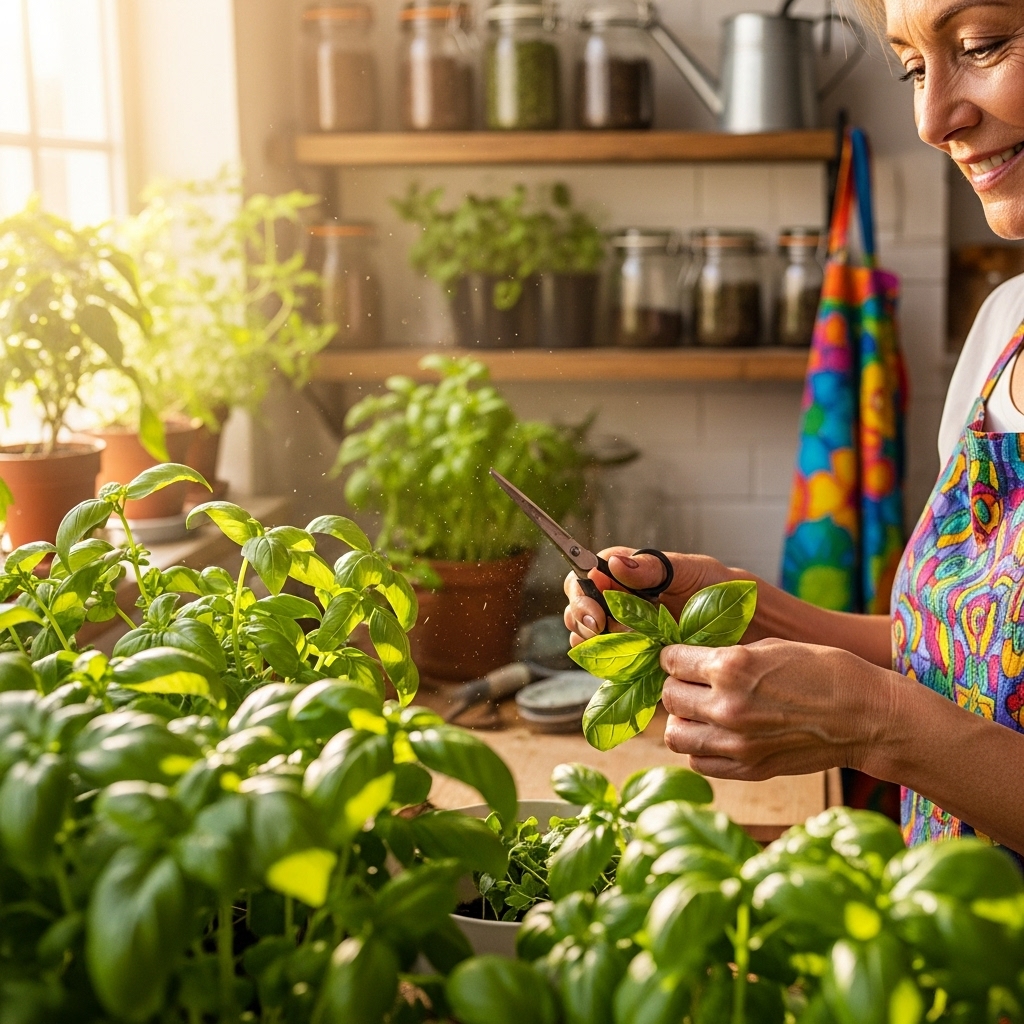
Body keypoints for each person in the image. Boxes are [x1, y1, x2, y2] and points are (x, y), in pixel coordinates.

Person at [564, 0, 1024, 857]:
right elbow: (970, 659)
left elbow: (914, 713)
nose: (931, 119)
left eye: (982, 45)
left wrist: (878, 727)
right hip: (957, 957)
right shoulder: (1004, 329)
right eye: (915, 69)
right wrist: (741, 610)